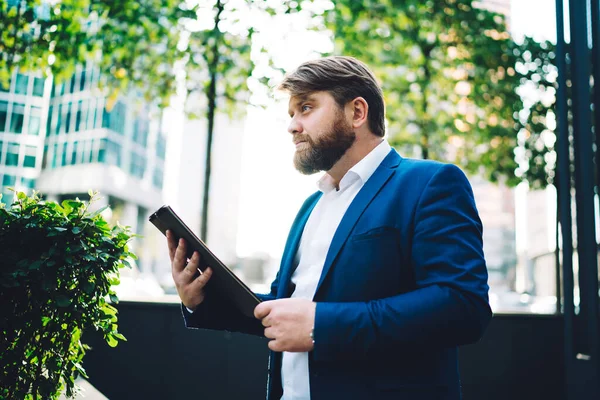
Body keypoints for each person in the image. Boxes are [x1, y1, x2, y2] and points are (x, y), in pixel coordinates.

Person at [167, 56, 491, 400]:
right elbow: (284, 309)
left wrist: (322, 326)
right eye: (291, 114)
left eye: (306, 108)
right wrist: (203, 300)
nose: (293, 126)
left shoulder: (430, 183)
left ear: (357, 112)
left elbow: (462, 306)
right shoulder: (311, 207)